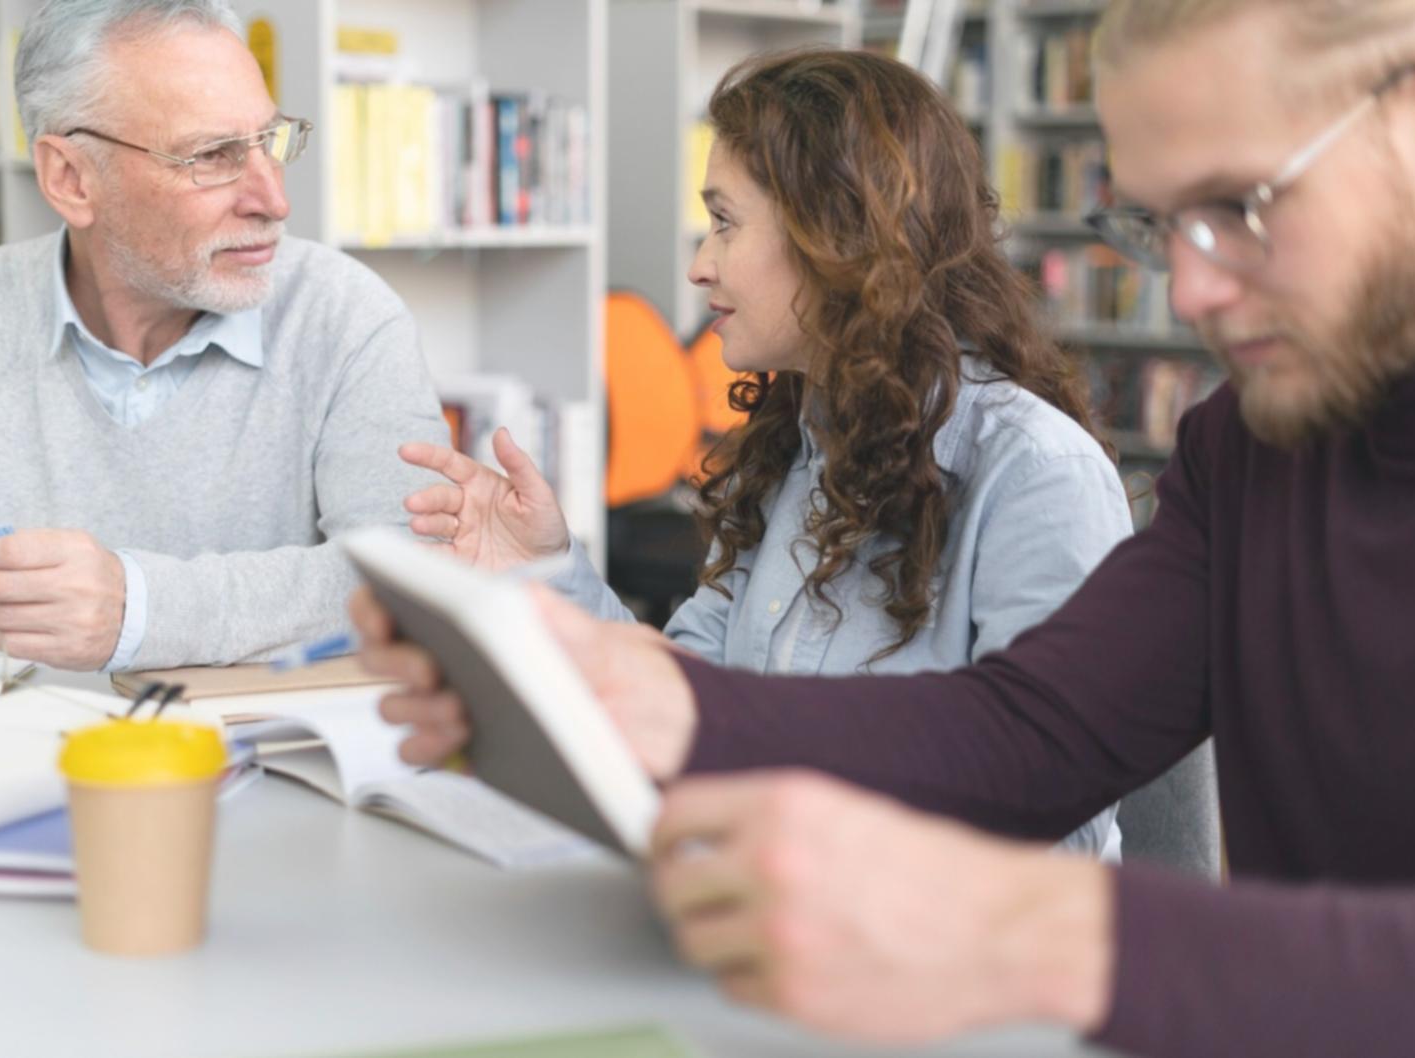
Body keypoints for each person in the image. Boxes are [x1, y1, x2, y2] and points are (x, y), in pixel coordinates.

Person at [354, 1, 1415, 1055]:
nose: (1189, 288)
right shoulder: (1249, 450)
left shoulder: (1039, 464)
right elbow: (1034, 731)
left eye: (1238, 203)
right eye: (1155, 225)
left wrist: (1035, 929)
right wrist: (643, 696)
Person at [394, 50, 1130, 857]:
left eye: (724, 222)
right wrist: (542, 571)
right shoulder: (800, 446)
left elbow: (1053, 826)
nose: (698, 264)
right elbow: (684, 700)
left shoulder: (1034, 474)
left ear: (836, 233)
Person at [0, 0, 446, 690]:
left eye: (269, 140)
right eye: (213, 156)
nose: (273, 199)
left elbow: (408, 581)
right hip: (13, 769)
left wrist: (140, 609)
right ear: (70, 178)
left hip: (282, 775)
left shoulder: (346, 315)